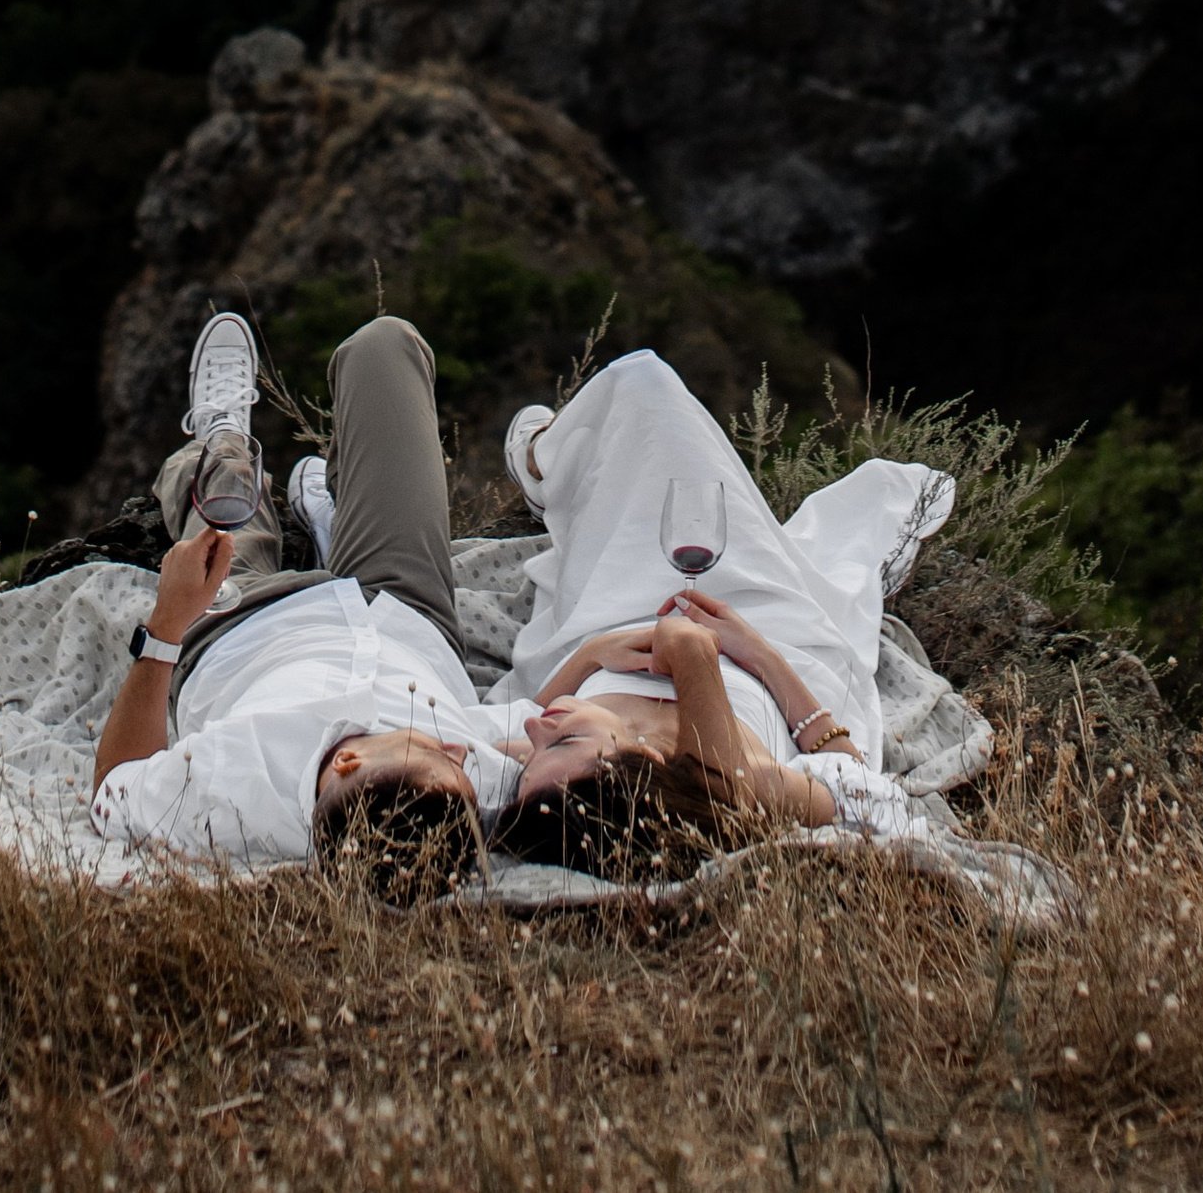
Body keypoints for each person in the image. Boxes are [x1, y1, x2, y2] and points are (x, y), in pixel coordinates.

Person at [90, 307, 520, 887]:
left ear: (347, 762)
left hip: (241, 625)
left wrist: (167, 625)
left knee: (221, 501)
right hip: (404, 611)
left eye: (437, 752)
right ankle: (337, 520)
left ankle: (221, 437)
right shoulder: (470, 793)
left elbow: (115, 787)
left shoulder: (229, 789)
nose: (463, 749)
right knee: (384, 346)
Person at [489, 350, 961, 874]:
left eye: (532, 756)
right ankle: (552, 464)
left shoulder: (540, 765)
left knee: (643, 394)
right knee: (649, 388)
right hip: (766, 637)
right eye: (565, 739)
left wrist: (589, 656)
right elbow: (864, 789)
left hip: (608, 622)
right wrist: (758, 653)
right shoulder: (739, 785)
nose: (535, 734)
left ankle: (547, 468)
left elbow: (520, 716)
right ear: (643, 762)